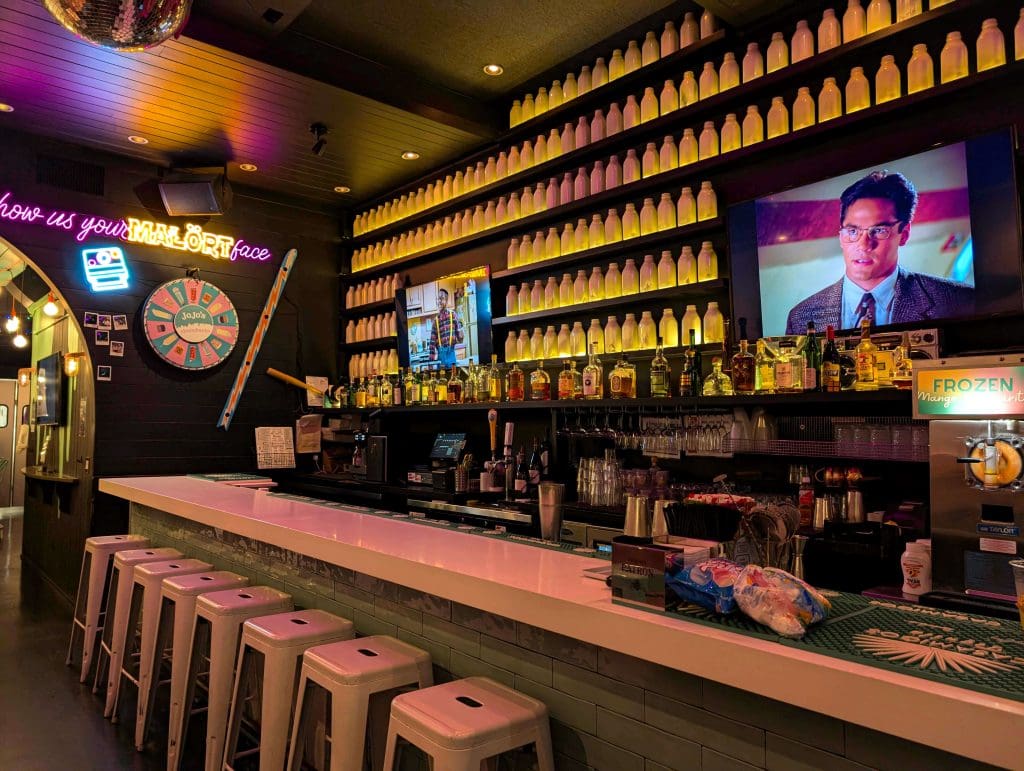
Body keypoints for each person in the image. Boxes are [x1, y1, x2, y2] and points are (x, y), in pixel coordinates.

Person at [785, 170, 974, 334]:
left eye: (879, 231)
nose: (864, 244)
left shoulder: (956, 301)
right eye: (852, 231)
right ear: (841, 236)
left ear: (904, 234)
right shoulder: (801, 316)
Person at [429, 287, 464, 367]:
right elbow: (432, 344)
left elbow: (460, 339)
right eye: (438, 299)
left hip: (452, 356)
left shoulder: (453, 315)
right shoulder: (435, 321)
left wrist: (461, 333)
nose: (439, 301)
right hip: (441, 360)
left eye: (441, 299)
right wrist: (430, 364)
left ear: (447, 300)